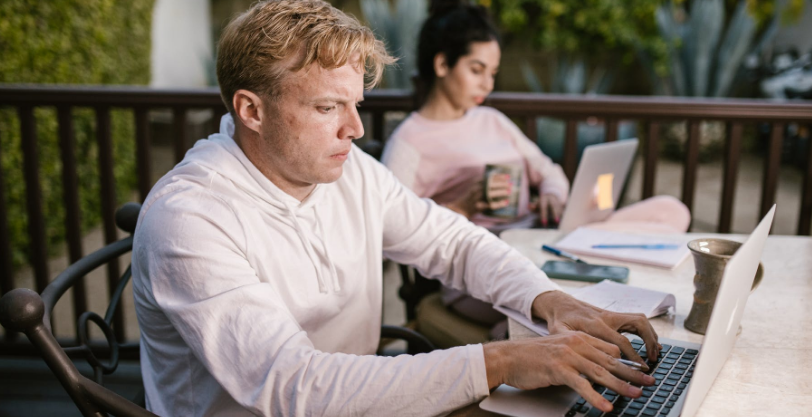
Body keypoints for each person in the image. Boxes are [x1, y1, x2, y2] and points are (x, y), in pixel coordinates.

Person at [131, 1, 661, 416]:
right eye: (326, 108)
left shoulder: (347, 168)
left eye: (354, 104)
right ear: (251, 109)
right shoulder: (189, 219)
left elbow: (451, 241)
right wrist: (501, 360)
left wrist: (546, 299)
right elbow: (294, 388)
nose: (355, 130)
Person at [381, 2, 691, 333]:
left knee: (670, 212)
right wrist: (461, 207)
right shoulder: (409, 142)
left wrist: (553, 194)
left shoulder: (492, 120)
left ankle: (583, 289)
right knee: (559, 281)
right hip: (486, 263)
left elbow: (547, 170)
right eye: (476, 69)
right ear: (442, 63)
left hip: (542, 237)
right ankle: (546, 317)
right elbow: (389, 232)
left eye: (493, 73)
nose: (487, 84)